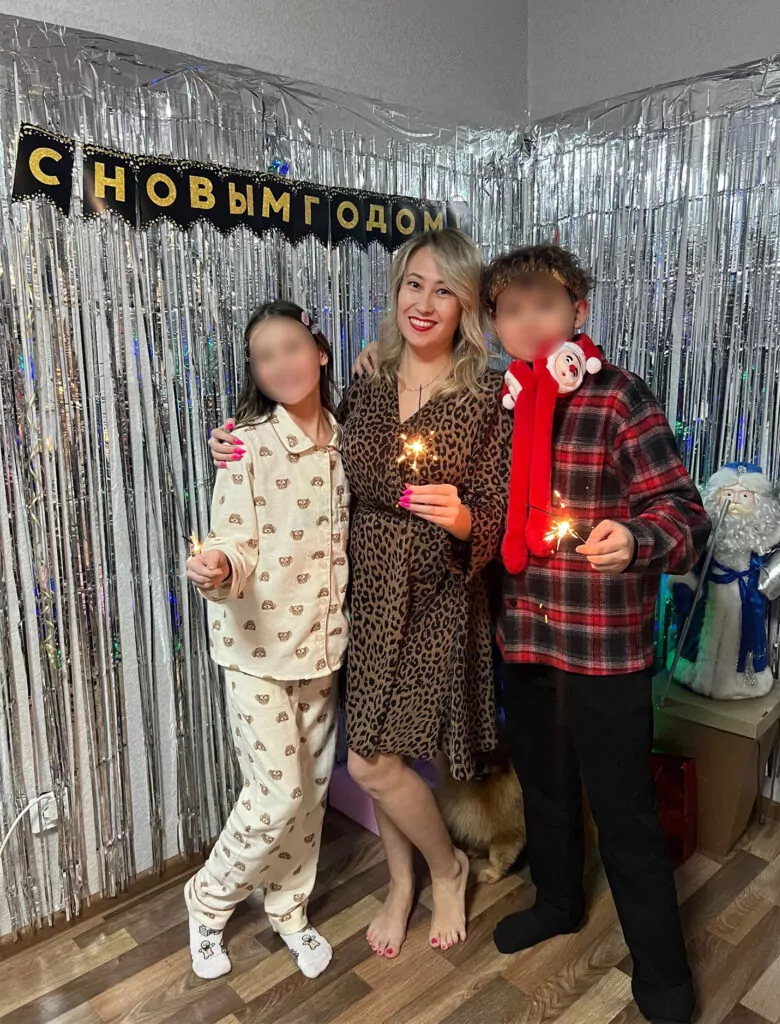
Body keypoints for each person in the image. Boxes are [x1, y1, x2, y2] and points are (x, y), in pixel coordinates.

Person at [352, 243, 709, 1024]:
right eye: (511, 310)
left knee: (624, 810)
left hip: (603, 647)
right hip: (525, 638)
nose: (528, 323)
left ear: (578, 312)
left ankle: (664, 971)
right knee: (545, 789)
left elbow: (684, 514)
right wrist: (374, 364)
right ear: (495, 323)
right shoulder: (502, 401)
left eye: (544, 306)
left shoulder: (619, 399)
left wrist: (637, 539)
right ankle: (558, 901)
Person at [208, 228, 511, 960]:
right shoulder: (369, 381)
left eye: (445, 289)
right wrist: (233, 442)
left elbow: (499, 515)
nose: (425, 302)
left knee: (375, 760)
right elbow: (313, 450)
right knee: (374, 755)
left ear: (467, 304)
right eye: (414, 284)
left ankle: (447, 869)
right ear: (397, 291)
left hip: (439, 597)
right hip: (364, 595)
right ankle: (403, 883)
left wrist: (464, 520)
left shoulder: (487, 395)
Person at [184, 300, 348, 982]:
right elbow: (232, 537)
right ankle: (208, 900)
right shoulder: (246, 444)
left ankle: (288, 909)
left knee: (309, 795)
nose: (280, 364)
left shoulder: (347, 440)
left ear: (321, 353)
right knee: (277, 793)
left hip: (323, 645)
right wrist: (218, 566)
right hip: (255, 650)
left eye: (292, 347)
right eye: (264, 355)